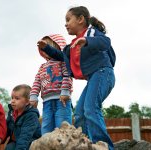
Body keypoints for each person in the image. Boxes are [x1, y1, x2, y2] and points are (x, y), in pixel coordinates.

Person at [37, 6, 116, 150]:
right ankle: (84, 145)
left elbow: (105, 42)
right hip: (93, 78)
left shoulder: (91, 33)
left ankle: (105, 146)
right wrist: (47, 49)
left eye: (68, 20)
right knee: (79, 113)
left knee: (91, 108)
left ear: (80, 19)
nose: (65, 24)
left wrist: (87, 41)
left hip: (103, 73)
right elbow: (62, 56)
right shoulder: (72, 45)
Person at [30, 34, 73, 135]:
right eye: (43, 48)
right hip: (47, 101)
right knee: (46, 127)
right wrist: (33, 96)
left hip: (62, 100)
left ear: (57, 47)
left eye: (47, 46)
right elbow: (37, 82)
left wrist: (65, 91)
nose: (45, 50)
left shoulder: (62, 62)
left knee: (63, 127)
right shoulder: (42, 67)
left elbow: (67, 76)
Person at [6, 84, 41, 150]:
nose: (13, 101)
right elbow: (7, 129)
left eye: (17, 98)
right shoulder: (12, 112)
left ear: (27, 102)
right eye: (12, 98)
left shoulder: (31, 115)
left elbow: (25, 136)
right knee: (8, 148)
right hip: (16, 140)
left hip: (30, 141)